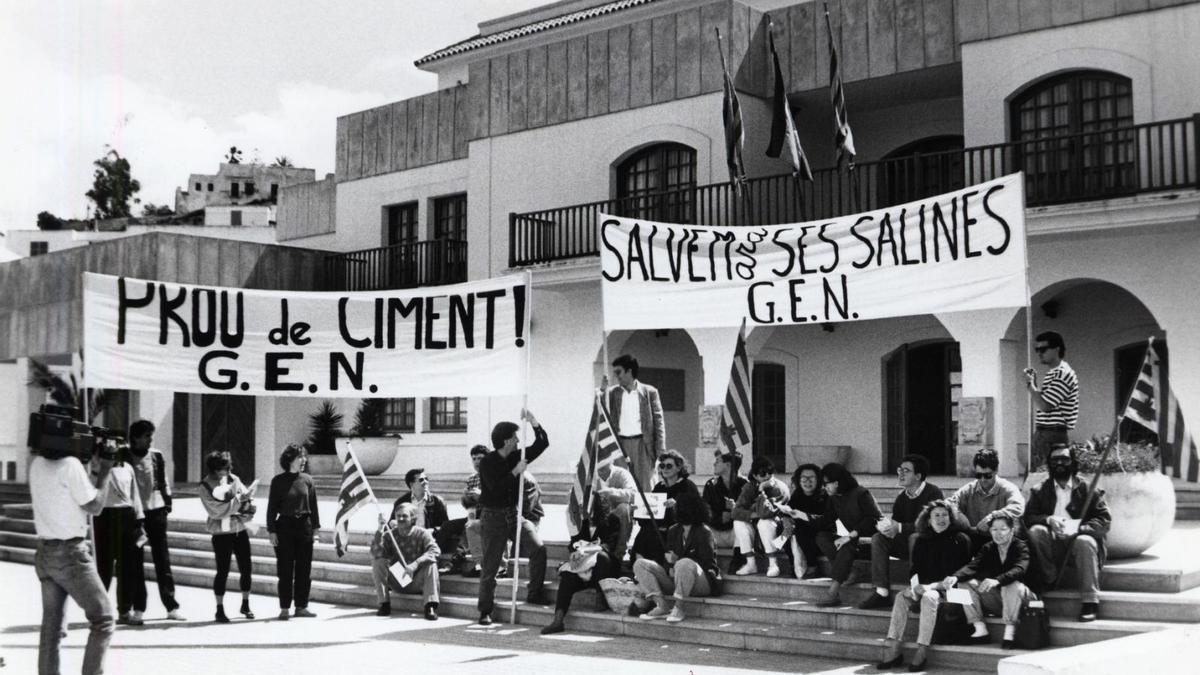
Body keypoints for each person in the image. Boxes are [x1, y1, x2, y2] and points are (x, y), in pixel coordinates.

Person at [30, 441, 116, 675]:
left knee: (52, 628)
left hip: (45, 552)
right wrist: (105, 469)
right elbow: (96, 506)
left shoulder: (36, 464)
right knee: (104, 619)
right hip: (70, 554)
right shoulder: (70, 465)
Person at [876, 500, 973, 671]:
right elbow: (915, 571)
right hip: (927, 588)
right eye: (937, 515)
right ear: (928, 519)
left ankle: (922, 650)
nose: (941, 519)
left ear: (951, 518)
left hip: (952, 592)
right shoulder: (921, 540)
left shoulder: (961, 539)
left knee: (929, 597)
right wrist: (914, 587)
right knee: (901, 596)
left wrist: (930, 587)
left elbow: (959, 575)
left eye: (945, 515)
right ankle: (895, 647)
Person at [476, 409, 549, 625]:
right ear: (507, 440)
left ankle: (534, 593)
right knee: (491, 566)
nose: (518, 440)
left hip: (514, 515)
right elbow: (496, 489)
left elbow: (541, 444)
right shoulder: (488, 462)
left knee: (538, 549)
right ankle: (485, 610)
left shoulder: (516, 455)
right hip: (493, 517)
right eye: (515, 437)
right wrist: (516, 472)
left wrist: (534, 421)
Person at [1025, 443, 1111, 622]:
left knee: (1084, 542)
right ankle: (1049, 578)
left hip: (1079, 544)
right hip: (1054, 546)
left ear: (1073, 462)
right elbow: (1028, 517)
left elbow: (1104, 521)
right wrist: (1048, 519)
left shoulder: (1088, 488)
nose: (1060, 463)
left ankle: (1090, 602)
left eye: (1064, 459)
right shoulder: (1040, 490)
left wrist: (1078, 529)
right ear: (1049, 463)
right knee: (1036, 531)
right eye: (1055, 460)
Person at [860, 454, 945, 610]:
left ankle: (917, 592)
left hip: (929, 546)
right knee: (878, 538)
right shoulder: (901, 498)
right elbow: (896, 524)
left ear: (918, 476)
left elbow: (932, 524)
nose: (900, 474)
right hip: (906, 544)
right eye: (900, 470)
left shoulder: (933, 493)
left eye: (906, 471)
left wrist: (899, 528)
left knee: (915, 537)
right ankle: (882, 592)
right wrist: (888, 529)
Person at [127, 419, 185, 621]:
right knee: (135, 563)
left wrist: (167, 506)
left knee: (163, 560)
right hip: (135, 516)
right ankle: (139, 608)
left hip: (156, 512)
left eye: (151, 436)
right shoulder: (124, 456)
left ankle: (171, 606)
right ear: (135, 438)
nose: (150, 440)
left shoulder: (156, 456)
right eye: (146, 436)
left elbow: (164, 482)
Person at [633, 490, 720, 623]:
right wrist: (669, 565)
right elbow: (668, 560)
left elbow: (708, 564)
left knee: (684, 563)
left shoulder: (704, 532)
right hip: (676, 580)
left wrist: (677, 561)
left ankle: (679, 608)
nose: (679, 510)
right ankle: (661, 606)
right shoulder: (674, 530)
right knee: (640, 564)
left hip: (701, 583)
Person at [950, 514, 1036, 649]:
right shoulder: (988, 548)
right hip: (1002, 600)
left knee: (1010, 584)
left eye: (1003, 529)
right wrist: (955, 577)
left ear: (1012, 530)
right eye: (994, 529)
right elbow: (973, 566)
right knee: (965, 583)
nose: (998, 533)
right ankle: (980, 629)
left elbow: (1019, 569)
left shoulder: (1021, 546)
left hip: (1025, 600)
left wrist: (997, 581)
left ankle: (1010, 632)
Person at [540, 495, 622, 635]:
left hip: (602, 568)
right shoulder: (581, 522)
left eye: (588, 507)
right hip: (583, 566)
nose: (585, 511)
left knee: (602, 558)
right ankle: (558, 619)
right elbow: (573, 543)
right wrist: (574, 552)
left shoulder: (612, 520)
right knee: (567, 575)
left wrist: (587, 549)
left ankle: (600, 596)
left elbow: (609, 545)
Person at [92, 442, 147, 626]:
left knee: (126, 567)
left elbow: (134, 495)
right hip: (104, 516)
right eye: (108, 452)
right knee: (104, 567)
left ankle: (124, 610)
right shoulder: (96, 468)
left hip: (126, 516)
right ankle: (99, 611)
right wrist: (99, 465)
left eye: (115, 451)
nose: (113, 454)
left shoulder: (127, 468)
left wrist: (139, 517)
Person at [198, 451, 256, 623]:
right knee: (222, 570)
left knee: (246, 568)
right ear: (215, 469)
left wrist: (249, 506)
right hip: (221, 533)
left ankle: (245, 603)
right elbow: (215, 510)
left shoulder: (233, 479)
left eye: (229, 467)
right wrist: (238, 502)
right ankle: (219, 609)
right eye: (225, 468)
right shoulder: (205, 486)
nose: (228, 470)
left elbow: (246, 498)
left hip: (239, 529)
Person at [814, 463, 882, 607]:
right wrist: (799, 516)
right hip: (854, 543)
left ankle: (833, 592)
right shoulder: (834, 498)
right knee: (822, 537)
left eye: (825, 483)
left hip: (874, 544)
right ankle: (850, 570)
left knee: (847, 542)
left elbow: (873, 519)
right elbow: (826, 521)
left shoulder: (861, 493)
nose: (823, 487)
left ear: (837, 483)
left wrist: (851, 535)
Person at [266, 444, 321, 620]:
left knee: (304, 569)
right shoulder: (278, 481)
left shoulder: (308, 480)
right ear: (290, 459)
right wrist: (272, 531)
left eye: (304, 457)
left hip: (304, 526)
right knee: (285, 569)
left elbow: (313, 506)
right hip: (285, 528)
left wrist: (316, 530)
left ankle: (301, 606)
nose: (303, 460)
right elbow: (271, 508)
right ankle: (284, 607)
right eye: (300, 457)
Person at [370, 503, 441, 620]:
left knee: (431, 564)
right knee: (378, 562)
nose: (401, 519)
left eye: (404, 516)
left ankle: (430, 606)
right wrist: (380, 528)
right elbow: (376, 552)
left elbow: (435, 550)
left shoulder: (422, 533)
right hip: (398, 579)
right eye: (398, 516)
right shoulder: (390, 535)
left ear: (413, 518)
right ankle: (384, 604)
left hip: (417, 581)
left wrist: (415, 564)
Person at [607, 354, 666, 491]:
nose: (616, 376)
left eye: (619, 372)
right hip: (620, 446)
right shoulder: (612, 393)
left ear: (629, 371)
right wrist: (603, 390)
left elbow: (659, 422)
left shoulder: (649, 392)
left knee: (646, 484)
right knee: (621, 483)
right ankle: (625, 512)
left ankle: (645, 512)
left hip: (643, 445)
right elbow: (600, 411)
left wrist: (660, 451)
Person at [631, 449, 700, 564]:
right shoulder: (659, 486)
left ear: (679, 468)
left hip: (677, 528)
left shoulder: (687, 486)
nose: (664, 469)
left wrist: (678, 504)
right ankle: (639, 568)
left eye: (669, 466)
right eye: (662, 466)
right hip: (656, 527)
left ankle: (653, 568)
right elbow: (651, 511)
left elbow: (696, 511)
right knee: (644, 532)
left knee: (657, 535)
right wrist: (638, 511)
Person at [946, 449, 1025, 549]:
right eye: (979, 475)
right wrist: (960, 518)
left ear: (996, 470)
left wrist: (993, 518)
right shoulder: (968, 489)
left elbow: (1018, 507)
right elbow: (949, 503)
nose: (983, 479)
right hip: (975, 537)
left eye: (988, 475)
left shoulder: (1008, 488)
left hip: (1001, 539)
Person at [1025, 330, 1079, 472]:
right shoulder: (1053, 373)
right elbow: (1045, 400)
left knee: (1040, 479)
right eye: (1037, 350)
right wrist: (1034, 385)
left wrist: (1030, 385)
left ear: (1057, 349)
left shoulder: (1063, 373)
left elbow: (1045, 406)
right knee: (1036, 479)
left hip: (1052, 434)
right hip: (1045, 432)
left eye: (1043, 349)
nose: (1039, 353)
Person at [392, 468, 462, 571]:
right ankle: (400, 583)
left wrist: (433, 530)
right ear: (411, 484)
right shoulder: (402, 501)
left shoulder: (437, 501)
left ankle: (415, 578)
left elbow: (445, 526)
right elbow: (392, 522)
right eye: (421, 480)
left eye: (426, 479)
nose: (425, 482)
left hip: (428, 537)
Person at [731, 456, 790, 577]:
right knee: (738, 523)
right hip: (758, 531)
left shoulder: (779, 488)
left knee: (764, 522)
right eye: (763, 473)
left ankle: (773, 564)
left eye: (770, 472)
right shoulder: (749, 487)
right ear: (755, 475)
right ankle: (750, 563)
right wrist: (753, 514)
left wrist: (762, 491)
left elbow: (766, 513)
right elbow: (735, 512)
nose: (767, 476)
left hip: (781, 533)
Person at [776, 463, 828, 579]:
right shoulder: (797, 495)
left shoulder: (824, 496)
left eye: (811, 478)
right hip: (798, 536)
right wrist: (786, 519)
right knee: (781, 528)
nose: (807, 481)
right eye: (804, 478)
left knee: (800, 527)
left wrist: (802, 517)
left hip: (817, 538)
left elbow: (823, 521)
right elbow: (787, 510)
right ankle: (793, 562)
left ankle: (812, 565)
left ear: (818, 480)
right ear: (798, 480)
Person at [590, 461, 638, 566]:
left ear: (610, 462)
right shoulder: (590, 475)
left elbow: (634, 494)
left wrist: (611, 492)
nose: (601, 472)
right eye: (598, 469)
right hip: (597, 515)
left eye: (604, 468)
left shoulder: (621, 474)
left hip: (615, 515)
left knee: (624, 508)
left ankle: (618, 554)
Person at [701, 449, 747, 549]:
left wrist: (735, 511)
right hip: (715, 532)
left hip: (735, 533)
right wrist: (719, 518)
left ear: (728, 465)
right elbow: (704, 510)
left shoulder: (745, 485)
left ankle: (739, 561)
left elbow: (752, 511)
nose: (714, 464)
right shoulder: (711, 485)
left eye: (717, 461)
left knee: (742, 526)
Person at [461, 444, 489, 576]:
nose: (477, 462)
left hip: (491, 514)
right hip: (475, 514)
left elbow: (497, 502)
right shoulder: (472, 478)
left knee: (471, 526)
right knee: (448, 526)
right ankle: (453, 561)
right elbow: (469, 505)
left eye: (480, 458)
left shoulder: (493, 476)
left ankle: (479, 564)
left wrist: (481, 496)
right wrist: (465, 498)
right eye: (474, 459)